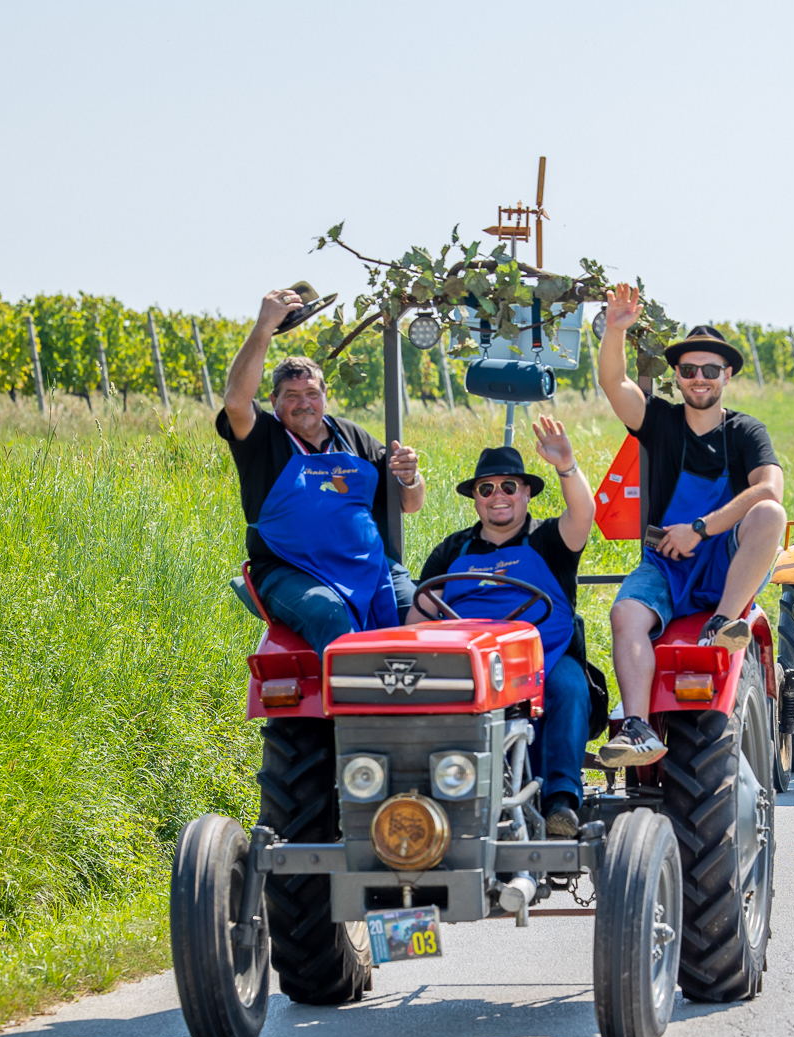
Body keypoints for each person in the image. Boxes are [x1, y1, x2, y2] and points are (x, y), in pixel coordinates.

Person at [594, 287, 787, 768]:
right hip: (665, 563)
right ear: (677, 376)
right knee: (626, 615)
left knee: (770, 515)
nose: (699, 379)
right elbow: (614, 383)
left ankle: (722, 623)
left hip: (724, 562)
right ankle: (638, 728)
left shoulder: (745, 432)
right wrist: (615, 328)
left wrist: (700, 529)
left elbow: (769, 489)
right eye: (689, 370)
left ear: (728, 375)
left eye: (710, 370)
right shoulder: (658, 419)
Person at [412, 419, 602, 837]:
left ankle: (561, 802)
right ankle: (422, 802)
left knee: (571, 687)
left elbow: (584, 514)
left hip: (542, 656)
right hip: (467, 658)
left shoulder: (550, 539)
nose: (498, 496)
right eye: (486, 489)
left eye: (509, 487)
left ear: (527, 493)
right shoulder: (453, 549)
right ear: (476, 500)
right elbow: (420, 614)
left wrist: (567, 464)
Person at [217, 286, 425, 654]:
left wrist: (411, 477)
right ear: (274, 402)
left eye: (311, 393)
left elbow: (409, 503)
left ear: (325, 396)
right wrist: (264, 326)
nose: (304, 404)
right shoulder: (262, 438)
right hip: (291, 571)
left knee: (422, 615)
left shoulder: (353, 437)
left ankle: (421, 706)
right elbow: (235, 400)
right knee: (330, 617)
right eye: (291, 396)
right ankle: (354, 708)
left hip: (370, 568)